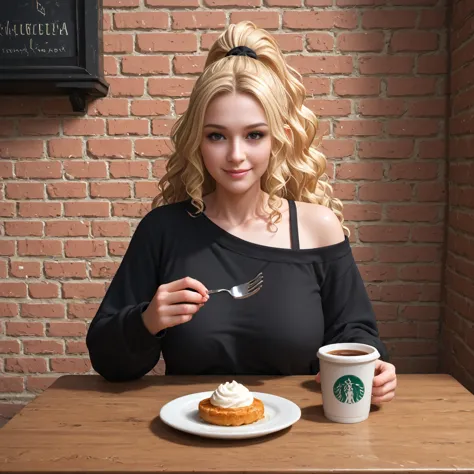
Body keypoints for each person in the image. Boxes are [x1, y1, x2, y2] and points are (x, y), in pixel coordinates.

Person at [86, 21, 397, 404]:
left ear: (278, 137)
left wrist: (375, 367)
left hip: (301, 442)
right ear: (197, 140)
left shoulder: (318, 227)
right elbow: (106, 359)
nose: (236, 155)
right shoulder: (163, 231)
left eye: (254, 135)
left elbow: (356, 334)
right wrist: (147, 320)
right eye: (217, 135)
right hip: (192, 441)